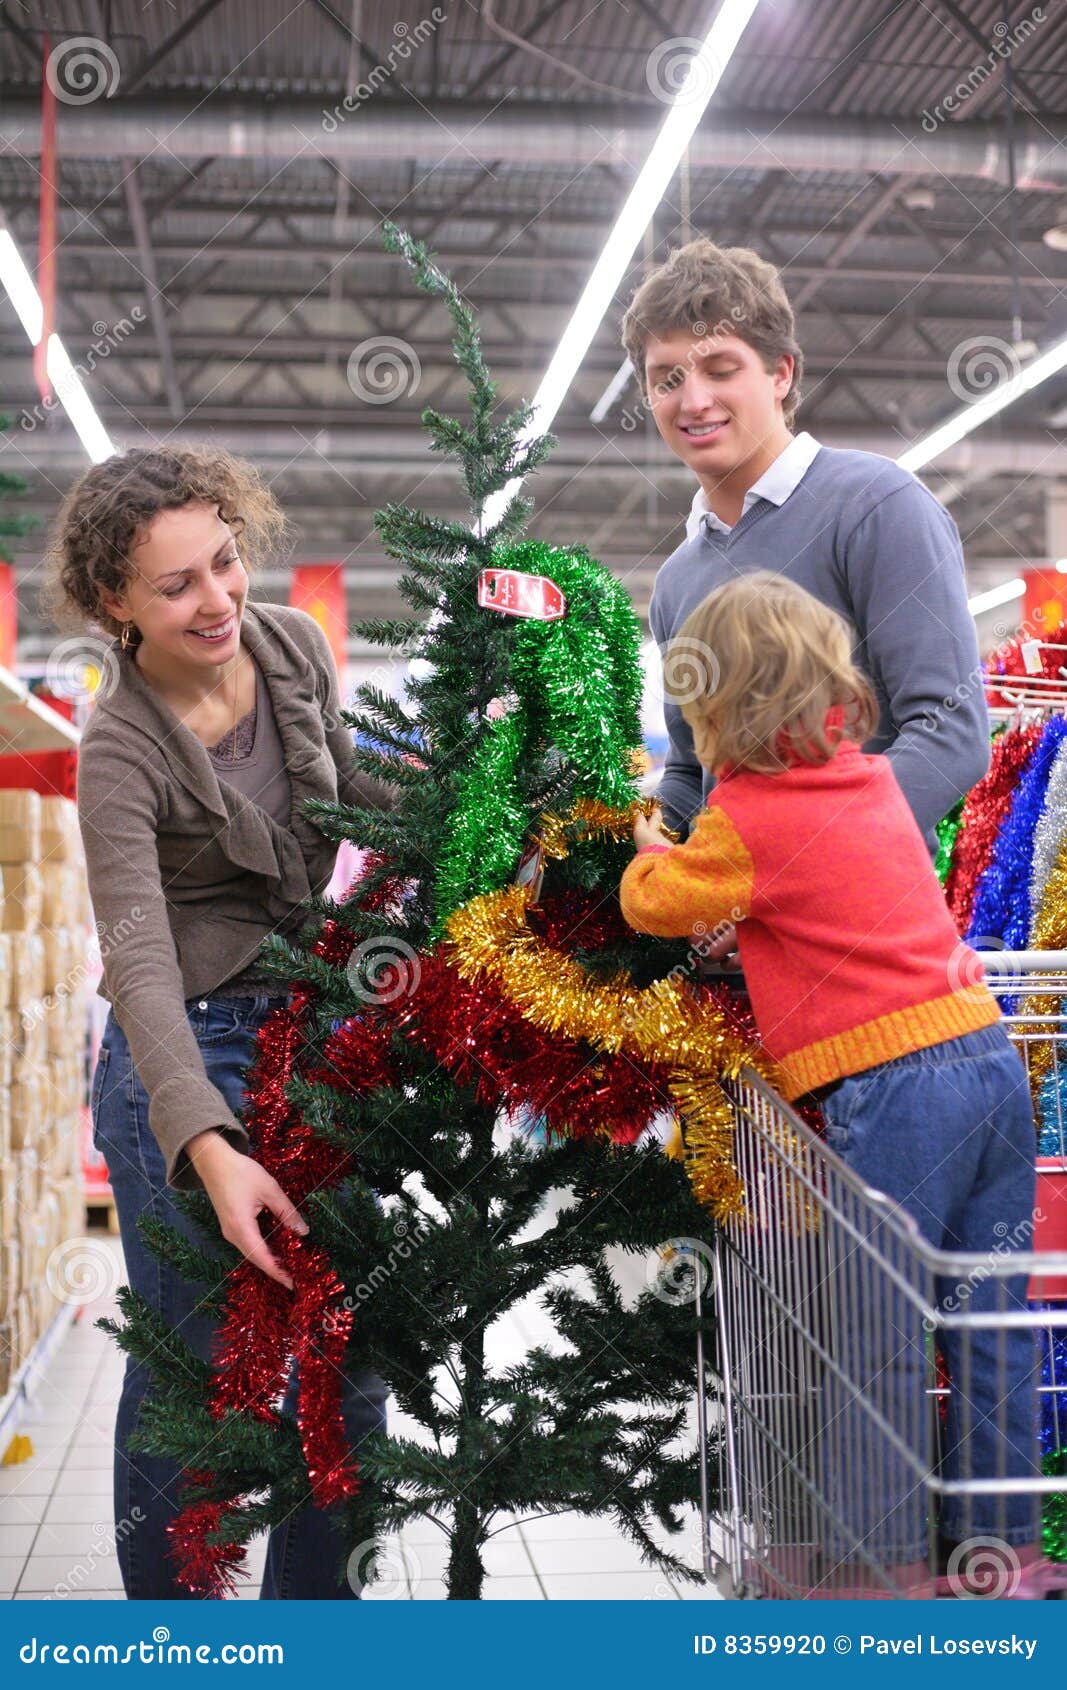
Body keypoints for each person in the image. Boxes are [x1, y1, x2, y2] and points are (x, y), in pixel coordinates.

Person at [618, 571, 1058, 1600]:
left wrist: (646, 844)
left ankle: (878, 1567)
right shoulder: (866, 780)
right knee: (985, 1317)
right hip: (987, 1068)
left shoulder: (744, 817)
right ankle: (1000, 1555)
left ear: (713, 707)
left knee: (870, 1336)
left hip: (896, 1093)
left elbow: (658, 904)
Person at [46, 445, 392, 1599]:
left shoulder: (292, 642)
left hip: (312, 1027)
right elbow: (138, 966)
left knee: (345, 1357)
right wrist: (209, 1146)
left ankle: (315, 1629)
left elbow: (349, 791)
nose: (217, 600)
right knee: (196, 1369)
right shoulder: (119, 748)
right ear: (114, 603)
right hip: (180, 1053)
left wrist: (491, 795)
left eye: (226, 562)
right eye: (176, 584)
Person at [620, 237, 990, 964]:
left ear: (781, 373)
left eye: (720, 370)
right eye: (666, 379)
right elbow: (695, 769)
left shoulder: (877, 507)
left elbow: (950, 734)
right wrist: (662, 845)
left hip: (873, 959)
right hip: (739, 971)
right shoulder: (675, 581)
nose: (692, 400)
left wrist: (776, 880)